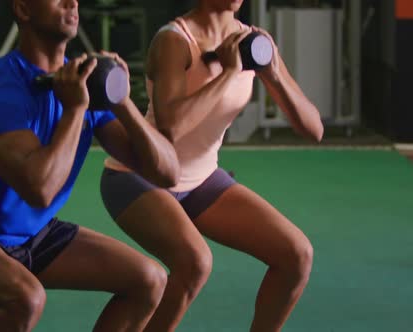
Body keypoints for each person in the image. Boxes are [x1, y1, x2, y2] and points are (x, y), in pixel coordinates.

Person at [0, 0, 181, 331]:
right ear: (23, 9)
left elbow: (167, 173)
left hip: (31, 234)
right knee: (25, 299)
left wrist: (121, 100)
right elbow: (39, 189)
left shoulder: (84, 83)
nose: (72, 2)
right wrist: (74, 111)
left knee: (149, 280)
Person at [100, 0, 325, 331]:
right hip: (139, 176)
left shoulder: (252, 39)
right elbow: (171, 126)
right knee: (194, 263)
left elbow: (314, 129)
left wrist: (273, 73)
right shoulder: (175, 40)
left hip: (201, 180)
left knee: (296, 254)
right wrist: (231, 72)